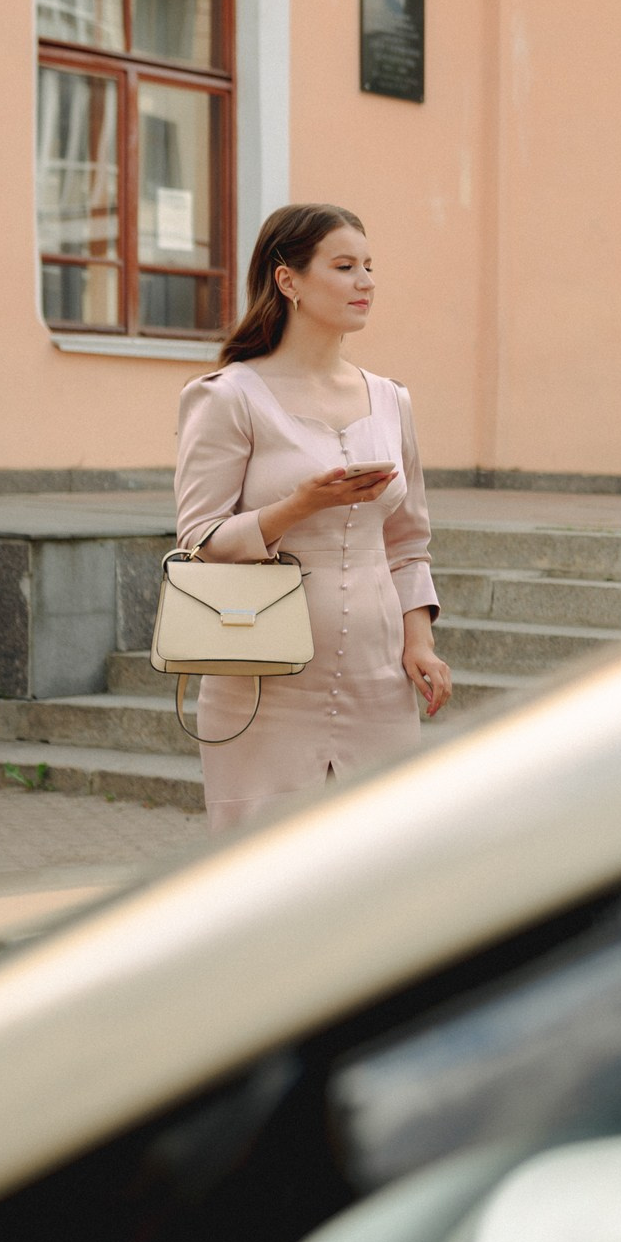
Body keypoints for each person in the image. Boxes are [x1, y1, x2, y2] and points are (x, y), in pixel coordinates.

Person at [174, 203, 451, 832]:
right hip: (261, 681)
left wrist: (421, 641)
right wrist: (300, 506)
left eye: (370, 267)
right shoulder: (227, 397)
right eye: (345, 266)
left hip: (379, 681)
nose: (366, 282)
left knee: (379, 864)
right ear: (288, 280)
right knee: (260, 877)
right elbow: (199, 540)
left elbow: (408, 542)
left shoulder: (390, 399)